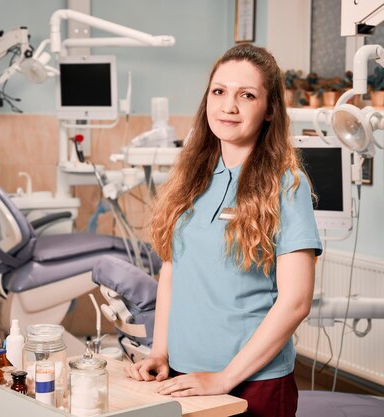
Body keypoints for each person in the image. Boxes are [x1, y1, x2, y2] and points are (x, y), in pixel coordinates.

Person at [125, 43, 323, 417]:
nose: (228, 106)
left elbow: (296, 301)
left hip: (253, 382)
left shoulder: (286, 185)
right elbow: (172, 270)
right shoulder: (191, 177)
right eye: (219, 92)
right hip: (184, 375)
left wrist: (223, 378)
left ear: (269, 110)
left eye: (246, 95)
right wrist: (160, 352)